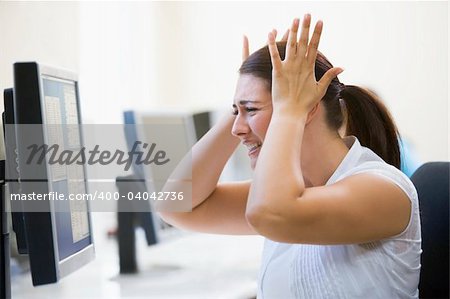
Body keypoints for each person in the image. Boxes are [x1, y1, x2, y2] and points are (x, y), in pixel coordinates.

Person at [159, 15, 421, 298]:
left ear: (307, 110)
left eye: (252, 110)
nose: (236, 129)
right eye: (237, 112)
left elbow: (270, 214)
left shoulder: (384, 189)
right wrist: (242, 102)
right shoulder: (293, 193)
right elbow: (176, 206)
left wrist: (289, 110)